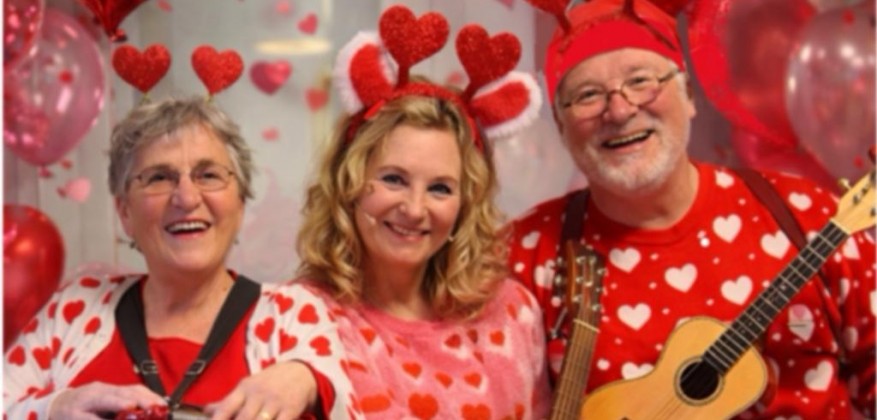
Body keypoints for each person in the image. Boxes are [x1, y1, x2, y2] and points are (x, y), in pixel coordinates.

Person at [509, 0, 875, 418]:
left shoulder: (809, 217)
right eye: (588, 95)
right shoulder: (525, 256)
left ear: (689, 96)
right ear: (560, 126)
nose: (620, 110)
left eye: (641, 81)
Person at [3, 97, 353, 420]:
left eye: (209, 175)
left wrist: (308, 379)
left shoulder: (290, 315)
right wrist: (53, 409)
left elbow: (348, 407)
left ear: (241, 203)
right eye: (159, 178)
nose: (186, 198)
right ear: (125, 212)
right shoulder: (75, 309)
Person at [295, 5, 551, 419]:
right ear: (349, 182)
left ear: (466, 203)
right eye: (394, 179)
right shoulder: (303, 317)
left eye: (440, 188)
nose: (414, 209)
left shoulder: (511, 311)